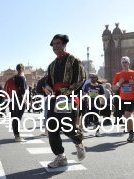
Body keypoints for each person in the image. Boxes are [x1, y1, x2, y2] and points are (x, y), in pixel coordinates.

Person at [44, 34, 86, 168]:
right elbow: (46, 81)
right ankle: (60, 156)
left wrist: (66, 91)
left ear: (64, 44)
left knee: (67, 128)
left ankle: (78, 142)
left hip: (68, 98)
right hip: (54, 99)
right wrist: (46, 87)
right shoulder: (51, 65)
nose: (56, 46)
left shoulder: (73, 60)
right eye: (54, 44)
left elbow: (81, 79)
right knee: (52, 127)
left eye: (58, 43)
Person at [112, 56, 134, 142]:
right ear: (121, 64)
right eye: (123, 62)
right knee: (126, 116)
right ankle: (130, 128)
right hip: (122, 99)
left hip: (132, 98)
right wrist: (119, 83)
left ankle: (131, 134)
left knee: (127, 115)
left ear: (129, 63)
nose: (124, 64)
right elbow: (114, 88)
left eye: (126, 62)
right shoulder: (118, 75)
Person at [9, 63, 28, 142]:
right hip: (19, 100)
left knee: (14, 118)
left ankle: (16, 135)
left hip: (12, 100)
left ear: (17, 69)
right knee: (18, 118)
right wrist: (26, 101)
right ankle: (17, 137)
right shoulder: (22, 78)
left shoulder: (14, 77)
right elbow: (23, 91)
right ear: (23, 69)